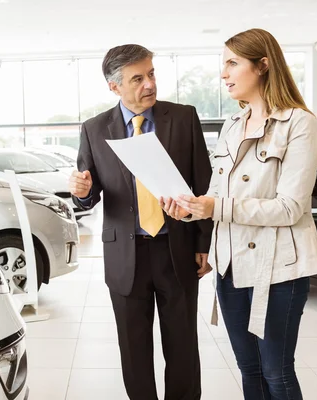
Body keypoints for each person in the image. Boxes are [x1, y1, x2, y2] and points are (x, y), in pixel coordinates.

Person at [161, 28, 317, 399]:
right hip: (230, 267)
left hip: (278, 269)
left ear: (263, 65)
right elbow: (215, 195)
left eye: (232, 63)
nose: (224, 74)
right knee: (249, 370)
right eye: (224, 64)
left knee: (276, 372)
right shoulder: (232, 125)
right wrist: (187, 209)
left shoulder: (299, 123)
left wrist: (216, 206)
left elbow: (291, 207)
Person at [69, 44, 213, 400]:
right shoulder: (94, 129)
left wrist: (202, 244)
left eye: (151, 74)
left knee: (182, 348)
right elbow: (89, 194)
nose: (149, 84)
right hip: (125, 257)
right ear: (114, 86)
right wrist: (82, 191)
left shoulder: (182, 118)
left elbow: (203, 183)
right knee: (134, 353)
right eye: (138, 78)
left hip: (175, 249)